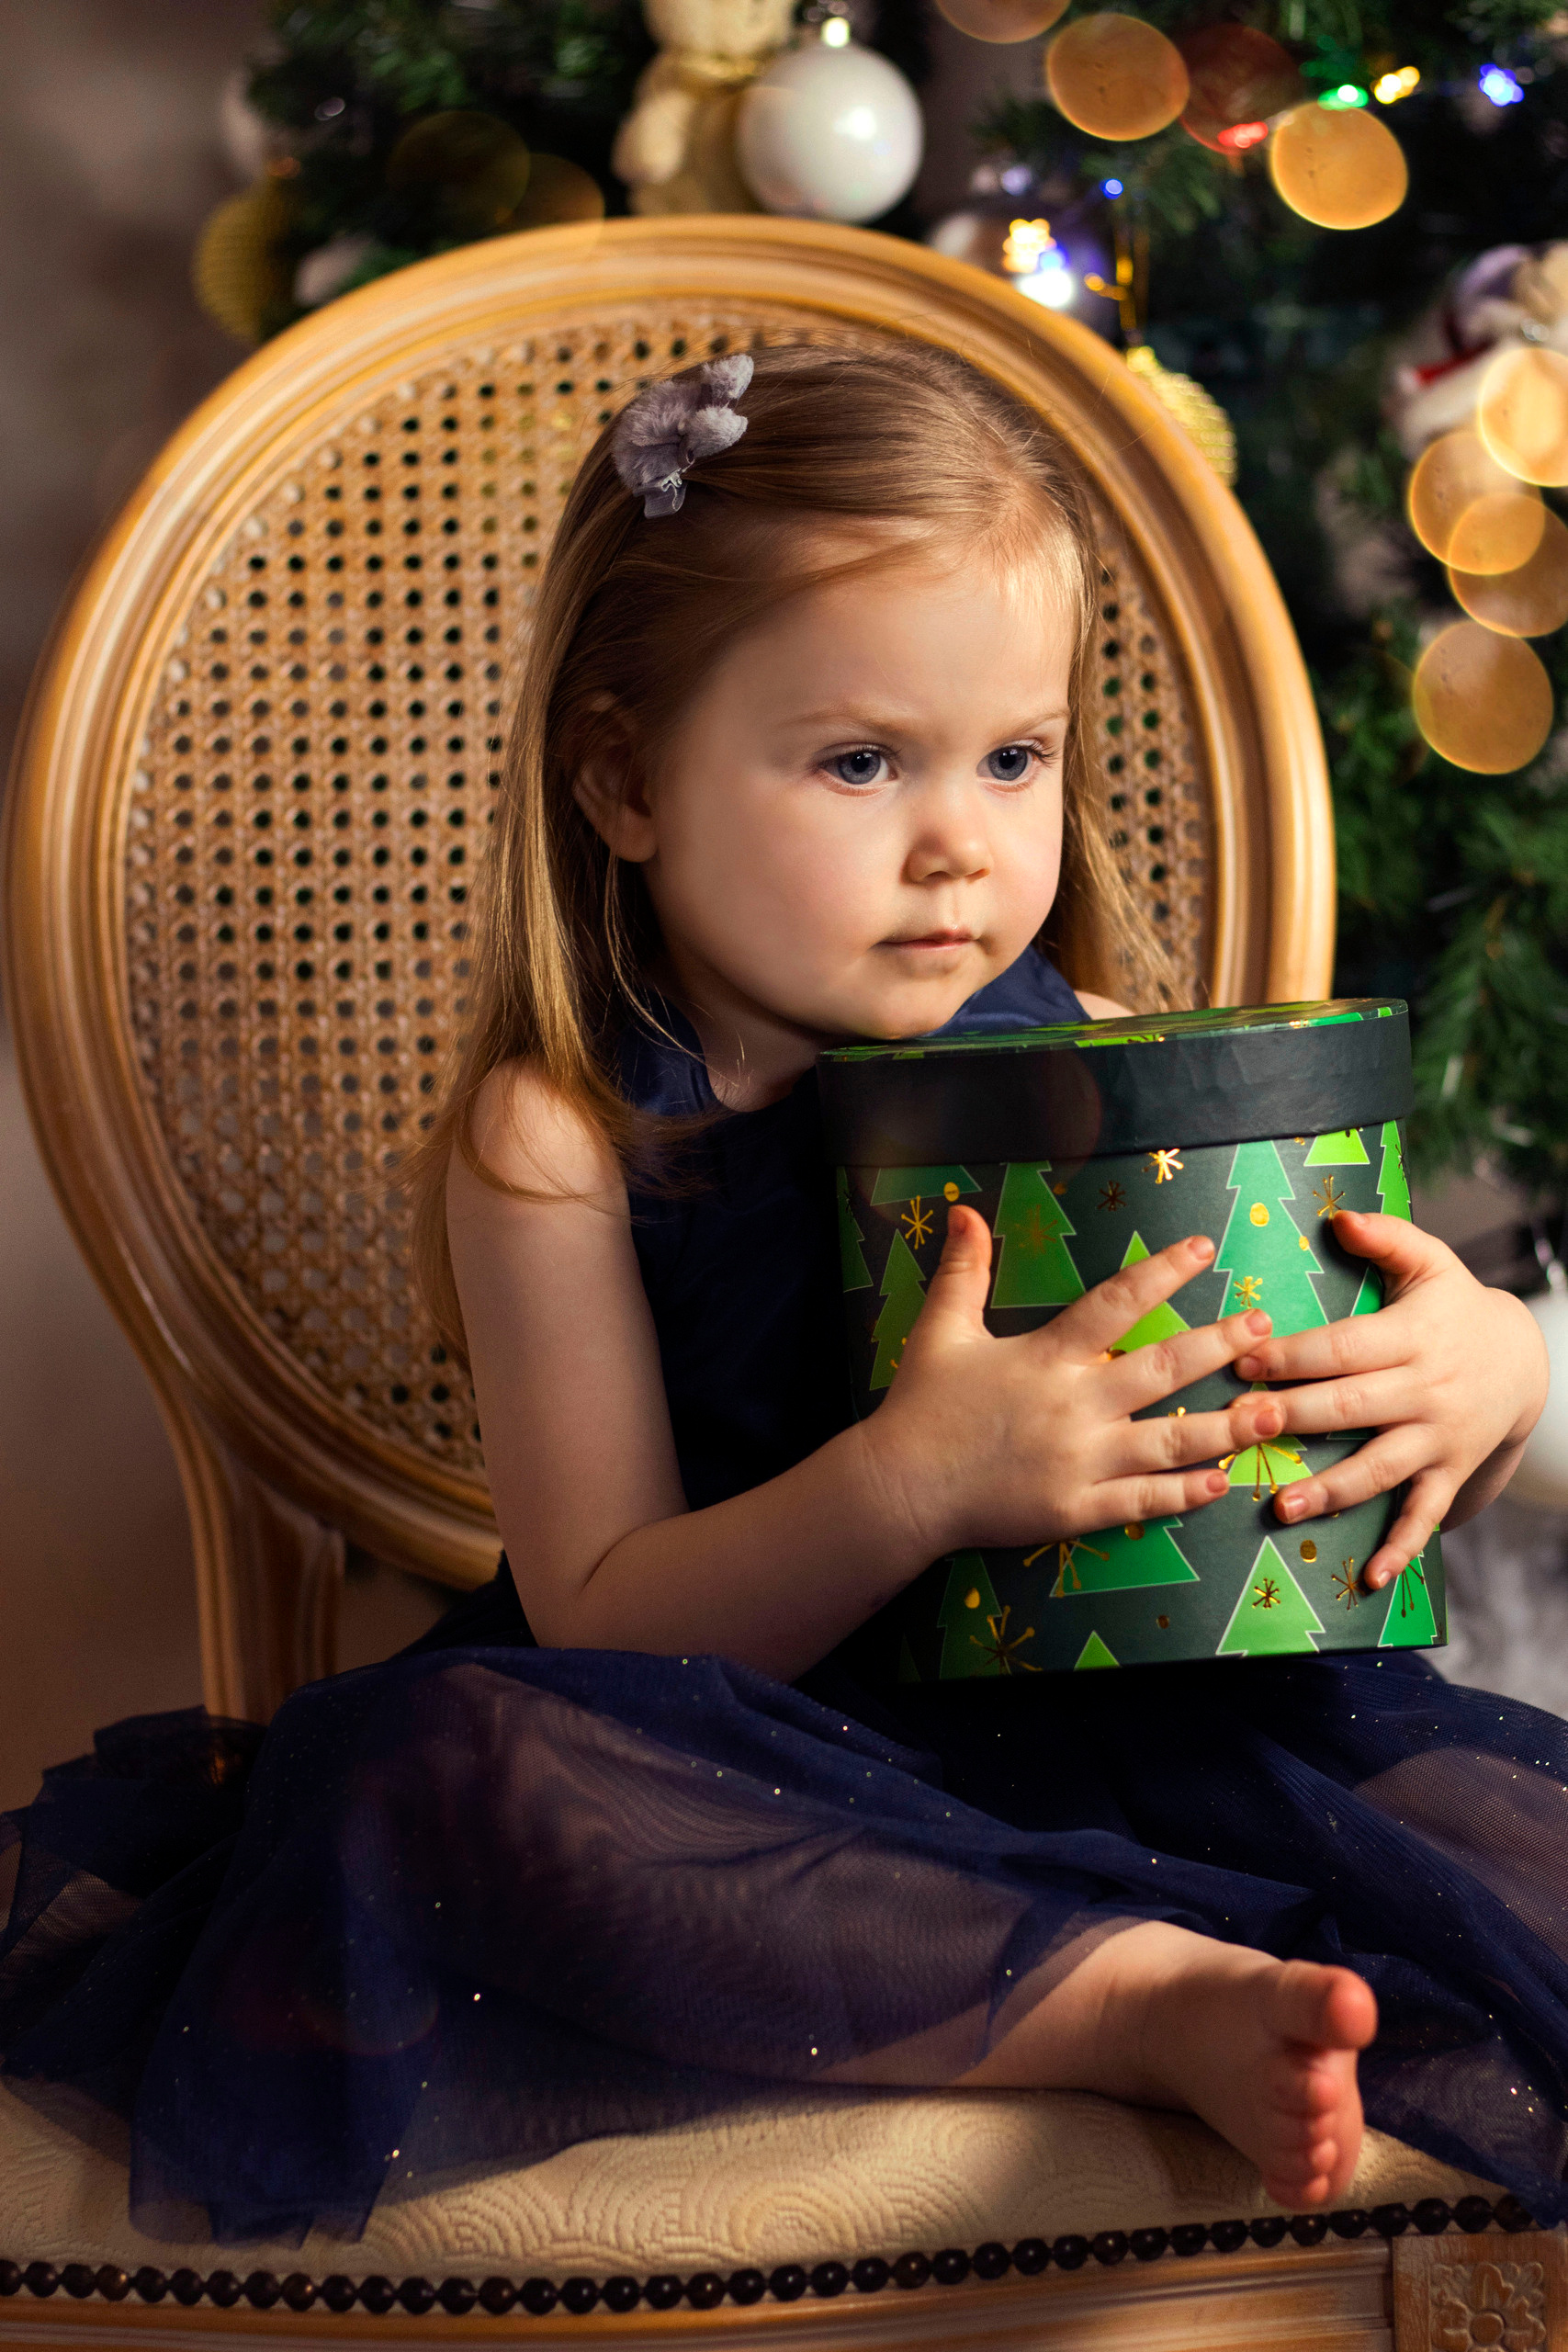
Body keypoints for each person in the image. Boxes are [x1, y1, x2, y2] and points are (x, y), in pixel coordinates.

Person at [1, 344, 1560, 2252]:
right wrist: (913, 1484)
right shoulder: (557, 1139)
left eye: (1014, 757)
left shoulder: (1090, 1061)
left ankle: (1171, 1946)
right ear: (622, 778)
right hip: (730, 1766)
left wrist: (1485, 1371)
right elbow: (604, 1615)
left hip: (1122, 1730)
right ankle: (1135, 1999)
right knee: (460, 1765)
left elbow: (1286, 1430)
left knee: (1508, 1844)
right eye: (859, 761)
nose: (959, 841)